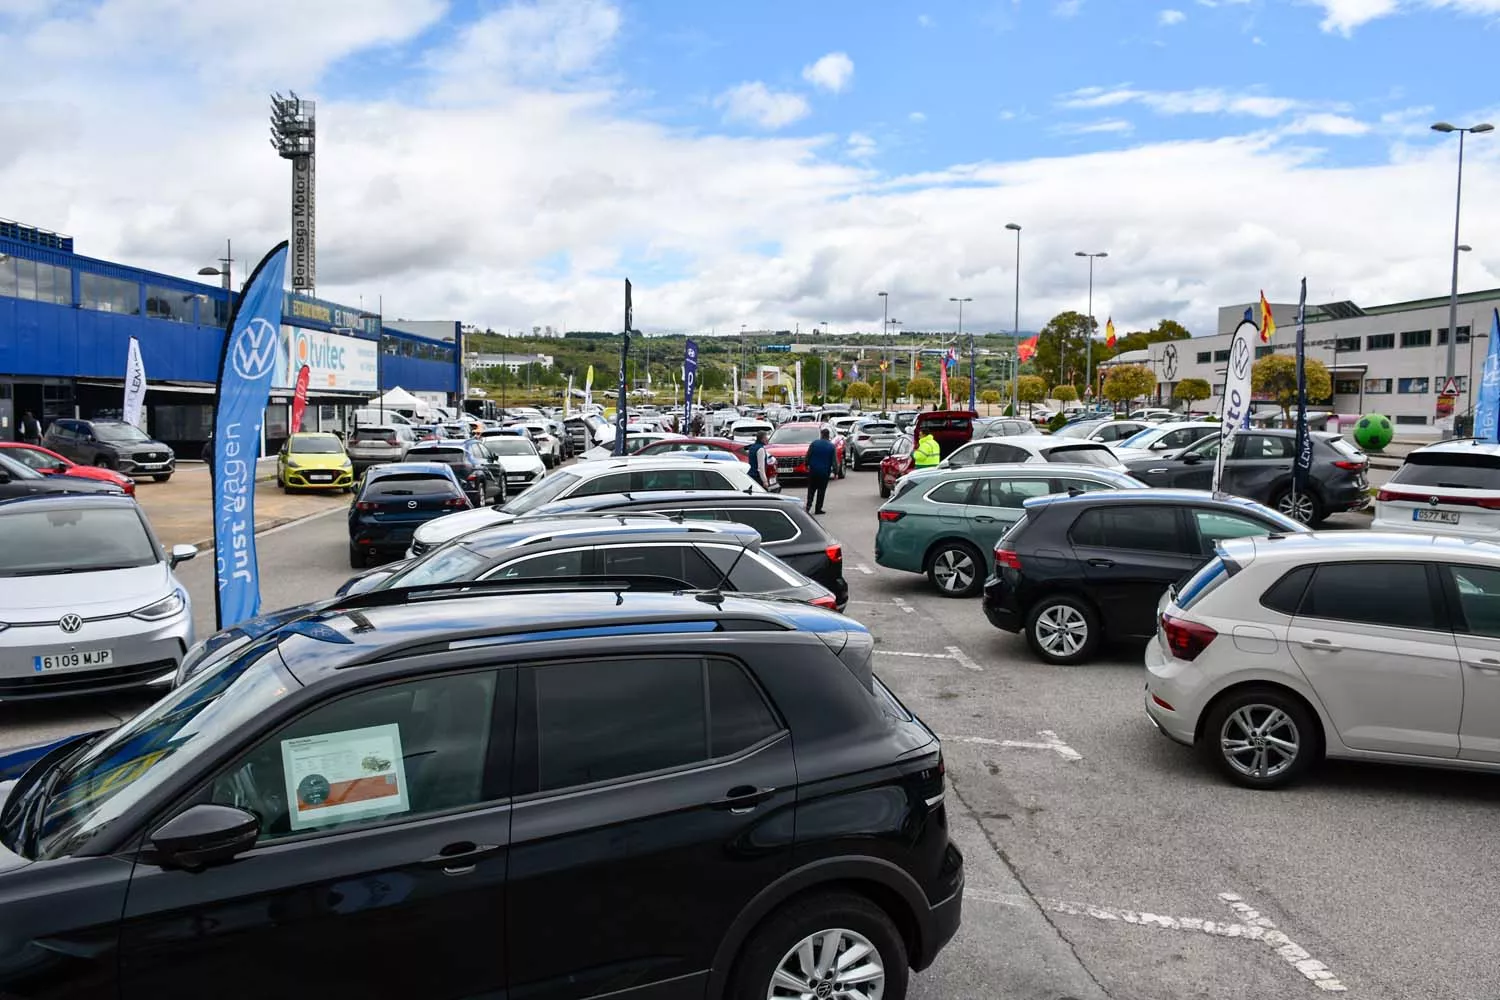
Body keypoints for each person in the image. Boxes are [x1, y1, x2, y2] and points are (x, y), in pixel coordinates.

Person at [805, 428, 838, 515]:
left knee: (811, 490)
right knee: (821, 491)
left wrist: (806, 464)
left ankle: (808, 506)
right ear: (828, 435)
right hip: (824, 472)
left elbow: (808, 455)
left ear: (821, 434)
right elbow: (834, 461)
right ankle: (818, 508)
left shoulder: (814, 444)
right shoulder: (831, 446)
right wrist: (836, 472)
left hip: (813, 471)